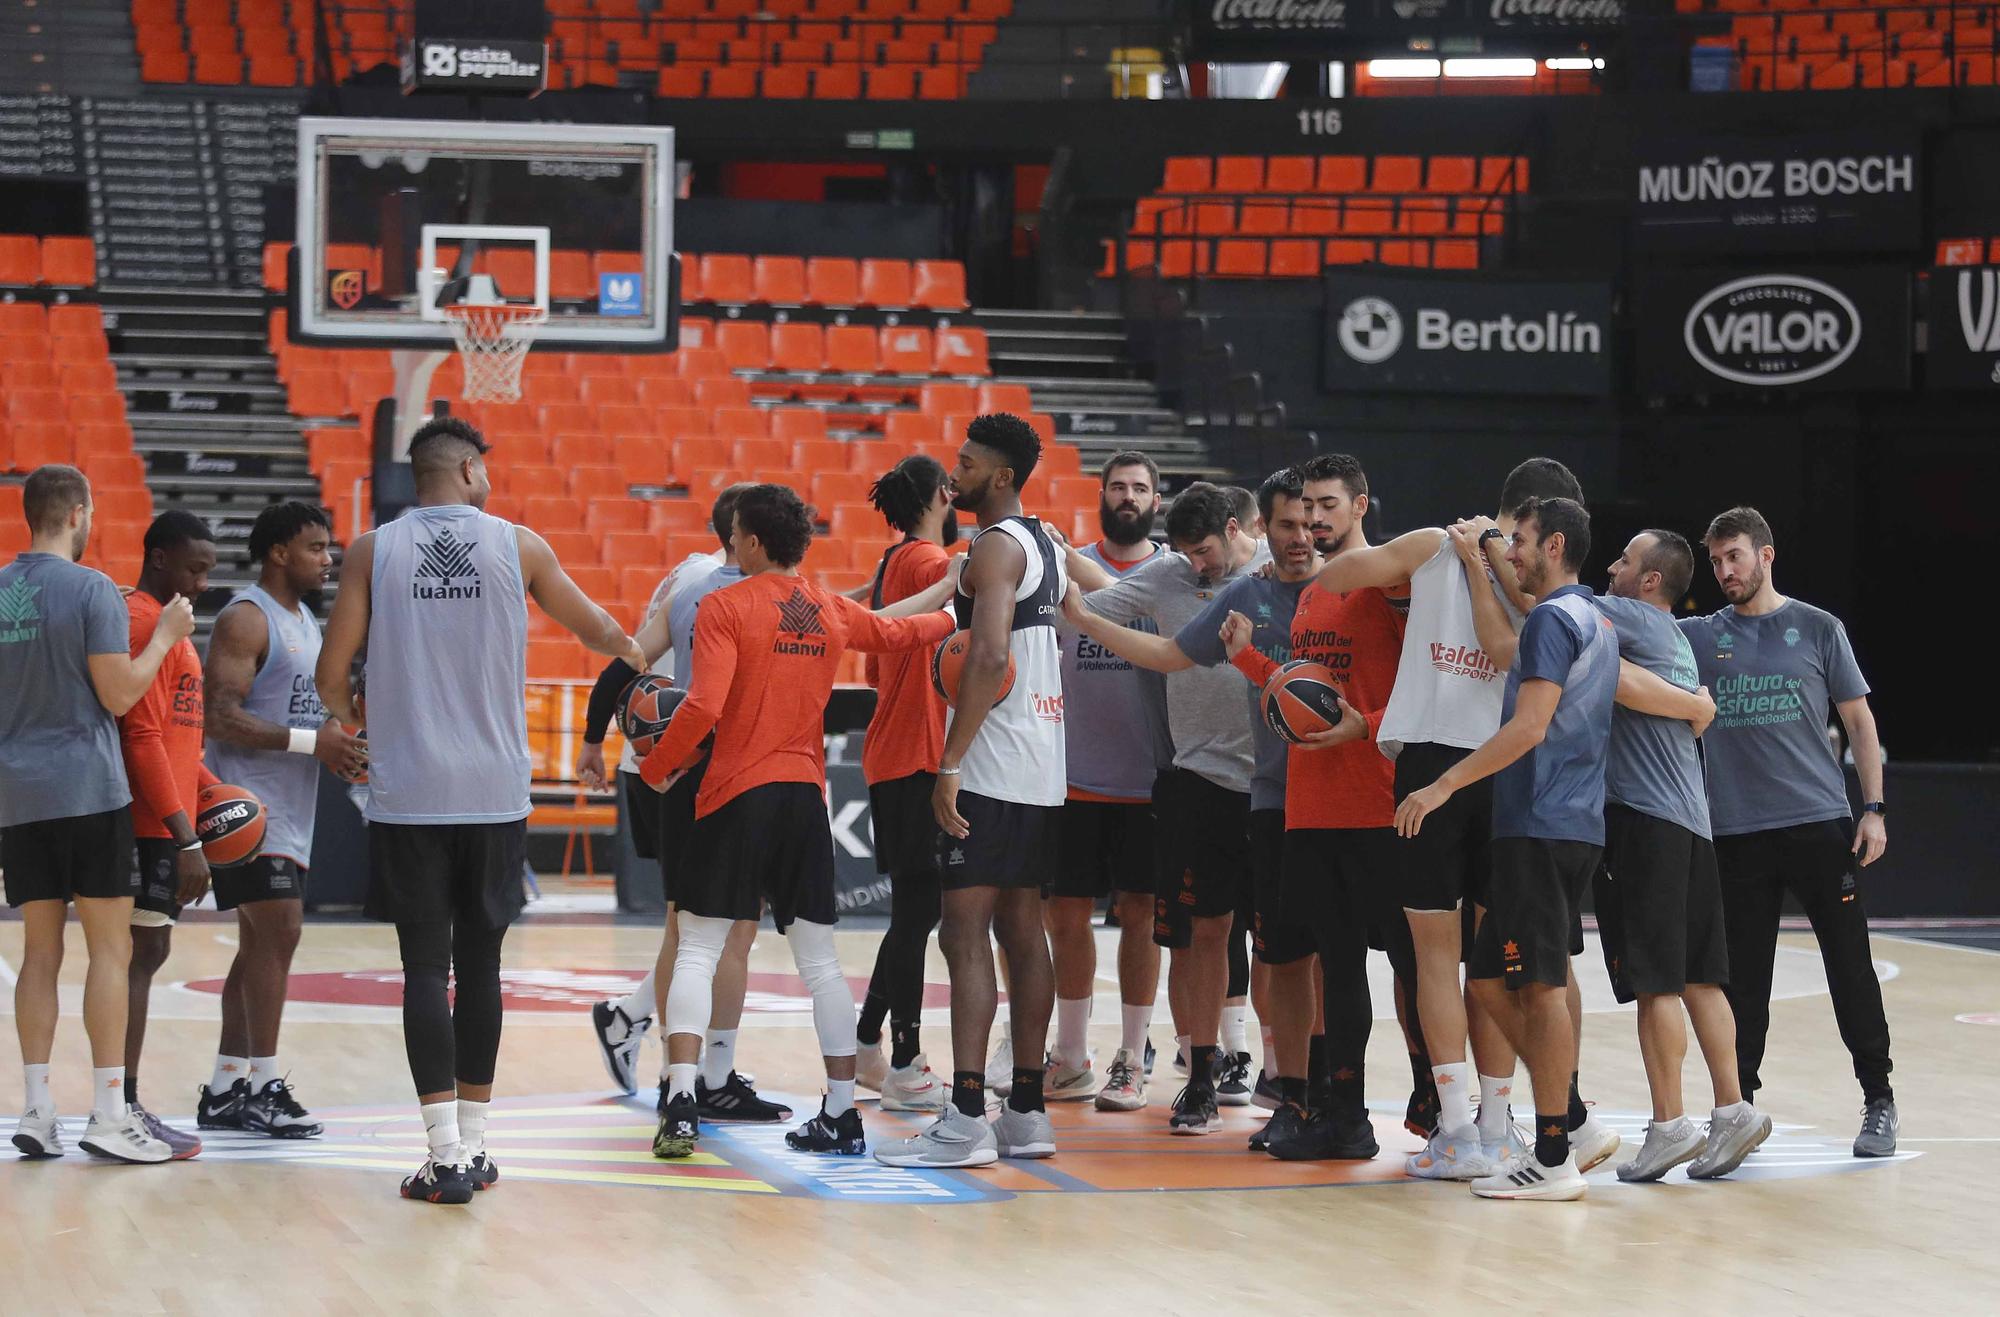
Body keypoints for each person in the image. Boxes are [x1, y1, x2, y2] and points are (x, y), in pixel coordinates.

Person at [315, 416, 646, 1206]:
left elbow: (333, 672)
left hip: (411, 793)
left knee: (426, 968)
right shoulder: (517, 544)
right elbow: (594, 626)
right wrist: (639, 654)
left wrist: (355, 728)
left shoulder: (372, 550)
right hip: (494, 792)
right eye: (485, 470)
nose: (490, 481)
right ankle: (480, 1143)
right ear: (465, 469)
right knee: (484, 966)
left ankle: (443, 1155)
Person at [639, 484, 956, 1160]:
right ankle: (842, 1112)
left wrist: (656, 765)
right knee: (819, 963)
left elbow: (700, 707)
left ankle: (683, 1102)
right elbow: (899, 632)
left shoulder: (726, 606)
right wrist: (957, 616)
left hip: (735, 794)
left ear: (750, 542)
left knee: (697, 948)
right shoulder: (829, 608)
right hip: (803, 800)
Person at [1311, 458, 1598, 1174]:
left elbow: (1336, 576)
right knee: (1502, 964)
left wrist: (1350, 534)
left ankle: (1458, 1130)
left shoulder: (1438, 545)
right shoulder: (1552, 594)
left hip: (1436, 764)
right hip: (1506, 772)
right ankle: (1502, 1126)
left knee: (1436, 960)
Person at [1061, 467, 1317, 1147]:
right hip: (1197, 776)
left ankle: (1288, 1076)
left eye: (1204, 550)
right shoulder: (1171, 577)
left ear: (1238, 531)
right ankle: (1200, 1071)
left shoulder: (1280, 582)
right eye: (1187, 553)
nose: (1196, 564)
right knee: (1200, 934)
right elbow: (1134, 622)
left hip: (1276, 780)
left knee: (1282, 944)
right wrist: (1065, 584)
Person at [1220, 455, 1434, 1162]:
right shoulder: (1312, 593)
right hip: (1310, 811)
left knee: (1413, 967)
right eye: (1307, 505)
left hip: (1378, 806)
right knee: (1336, 971)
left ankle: (1443, 1102)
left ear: (1361, 504)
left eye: (1328, 505)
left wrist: (1366, 726)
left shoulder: (1388, 581)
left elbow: (1418, 689)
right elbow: (1306, 689)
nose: (1314, 518)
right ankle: (1344, 1114)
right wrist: (1252, 663)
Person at [877, 414, 1069, 1169]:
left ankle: (963, 1115)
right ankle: (1025, 1109)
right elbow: (913, 611)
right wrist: (839, 621)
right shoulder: (1043, 541)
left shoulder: (993, 547)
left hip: (990, 764)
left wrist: (950, 762)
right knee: (1024, 928)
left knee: (963, 932)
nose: (952, 472)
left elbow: (987, 654)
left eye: (966, 462)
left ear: (1000, 476)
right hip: (1043, 763)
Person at [1679, 506, 1897, 1157]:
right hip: (1736, 834)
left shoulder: (1818, 627)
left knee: (1849, 967)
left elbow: (1859, 722)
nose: (1724, 571)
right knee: (1742, 979)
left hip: (1819, 827)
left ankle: (1879, 1098)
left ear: (1765, 555)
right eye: (1716, 561)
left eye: (1734, 556)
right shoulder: (1697, 635)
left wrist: (1875, 806)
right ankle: (1737, 1109)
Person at [580, 484, 792, 1126]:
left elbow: (630, 661)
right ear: (745, 534)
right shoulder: (721, 585)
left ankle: (638, 1023)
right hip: (683, 763)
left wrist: (596, 739)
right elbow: (643, 666)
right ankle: (700, 1075)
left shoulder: (694, 575)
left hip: (663, 759)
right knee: (710, 928)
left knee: (703, 927)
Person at [3, 465, 195, 1164]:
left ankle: (35, 1107)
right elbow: (119, 695)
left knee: (39, 953)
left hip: (18, 795)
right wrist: (167, 634)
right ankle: (109, 1114)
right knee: (110, 950)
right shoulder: (92, 589)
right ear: (80, 513)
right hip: (87, 789)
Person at [1590, 530, 1769, 1181]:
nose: (1609, 564)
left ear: (1647, 581)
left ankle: (1669, 1125)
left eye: (1623, 558)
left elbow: (1601, 662)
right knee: (1701, 976)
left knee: (1656, 981)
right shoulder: (1676, 639)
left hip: (1646, 821)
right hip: (1694, 825)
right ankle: (1734, 1108)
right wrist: (1696, 704)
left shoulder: (1622, 617)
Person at [198, 502, 366, 1140]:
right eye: (316, 548)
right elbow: (220, 716)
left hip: (291, 809)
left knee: (260, 948)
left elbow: (308, 717)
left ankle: (225, 1087)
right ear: (278, 553)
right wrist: (310, 743)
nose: (327, 560)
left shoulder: (307, 623)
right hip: (243, 806)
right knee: (280, 933)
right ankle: (264, 1084)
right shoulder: (247, 618)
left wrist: (343, 748)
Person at [1044, 450, 1169, 1111]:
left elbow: (1140, 621)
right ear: (1101, 493)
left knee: (1143, 919)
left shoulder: (1171, 571)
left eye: (1140, 487)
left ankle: (1131, 1055)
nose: (1128, 496)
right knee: (1064, 916)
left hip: (1149, 779)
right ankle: (1070, 1054)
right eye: (1118, 486)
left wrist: (1078, 572)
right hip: (1074, 778)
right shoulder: (1057, 567)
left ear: (1156, 498)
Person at [853, 456, 960, 1113]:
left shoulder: (891, 564)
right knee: (917, 913)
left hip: (890, 753)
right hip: (915, 756)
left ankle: (871, 1042)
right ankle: (903, 1056)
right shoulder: (928, 561)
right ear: (943, 494)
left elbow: (871, 671)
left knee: (913, 912)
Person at [118, 509, 221, 1160]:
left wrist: (212, 793)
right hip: (144, 826)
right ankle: (120, 1102)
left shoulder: (174, 629)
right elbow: (143, 737)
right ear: (158, 557)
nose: (204, 580)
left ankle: (122, 1100)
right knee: (135, 960)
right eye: (194, 566)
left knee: (143, 959)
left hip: (169, 820)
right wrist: (186, 838)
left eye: (210, 568)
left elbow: (181, 740)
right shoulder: (142, 621)